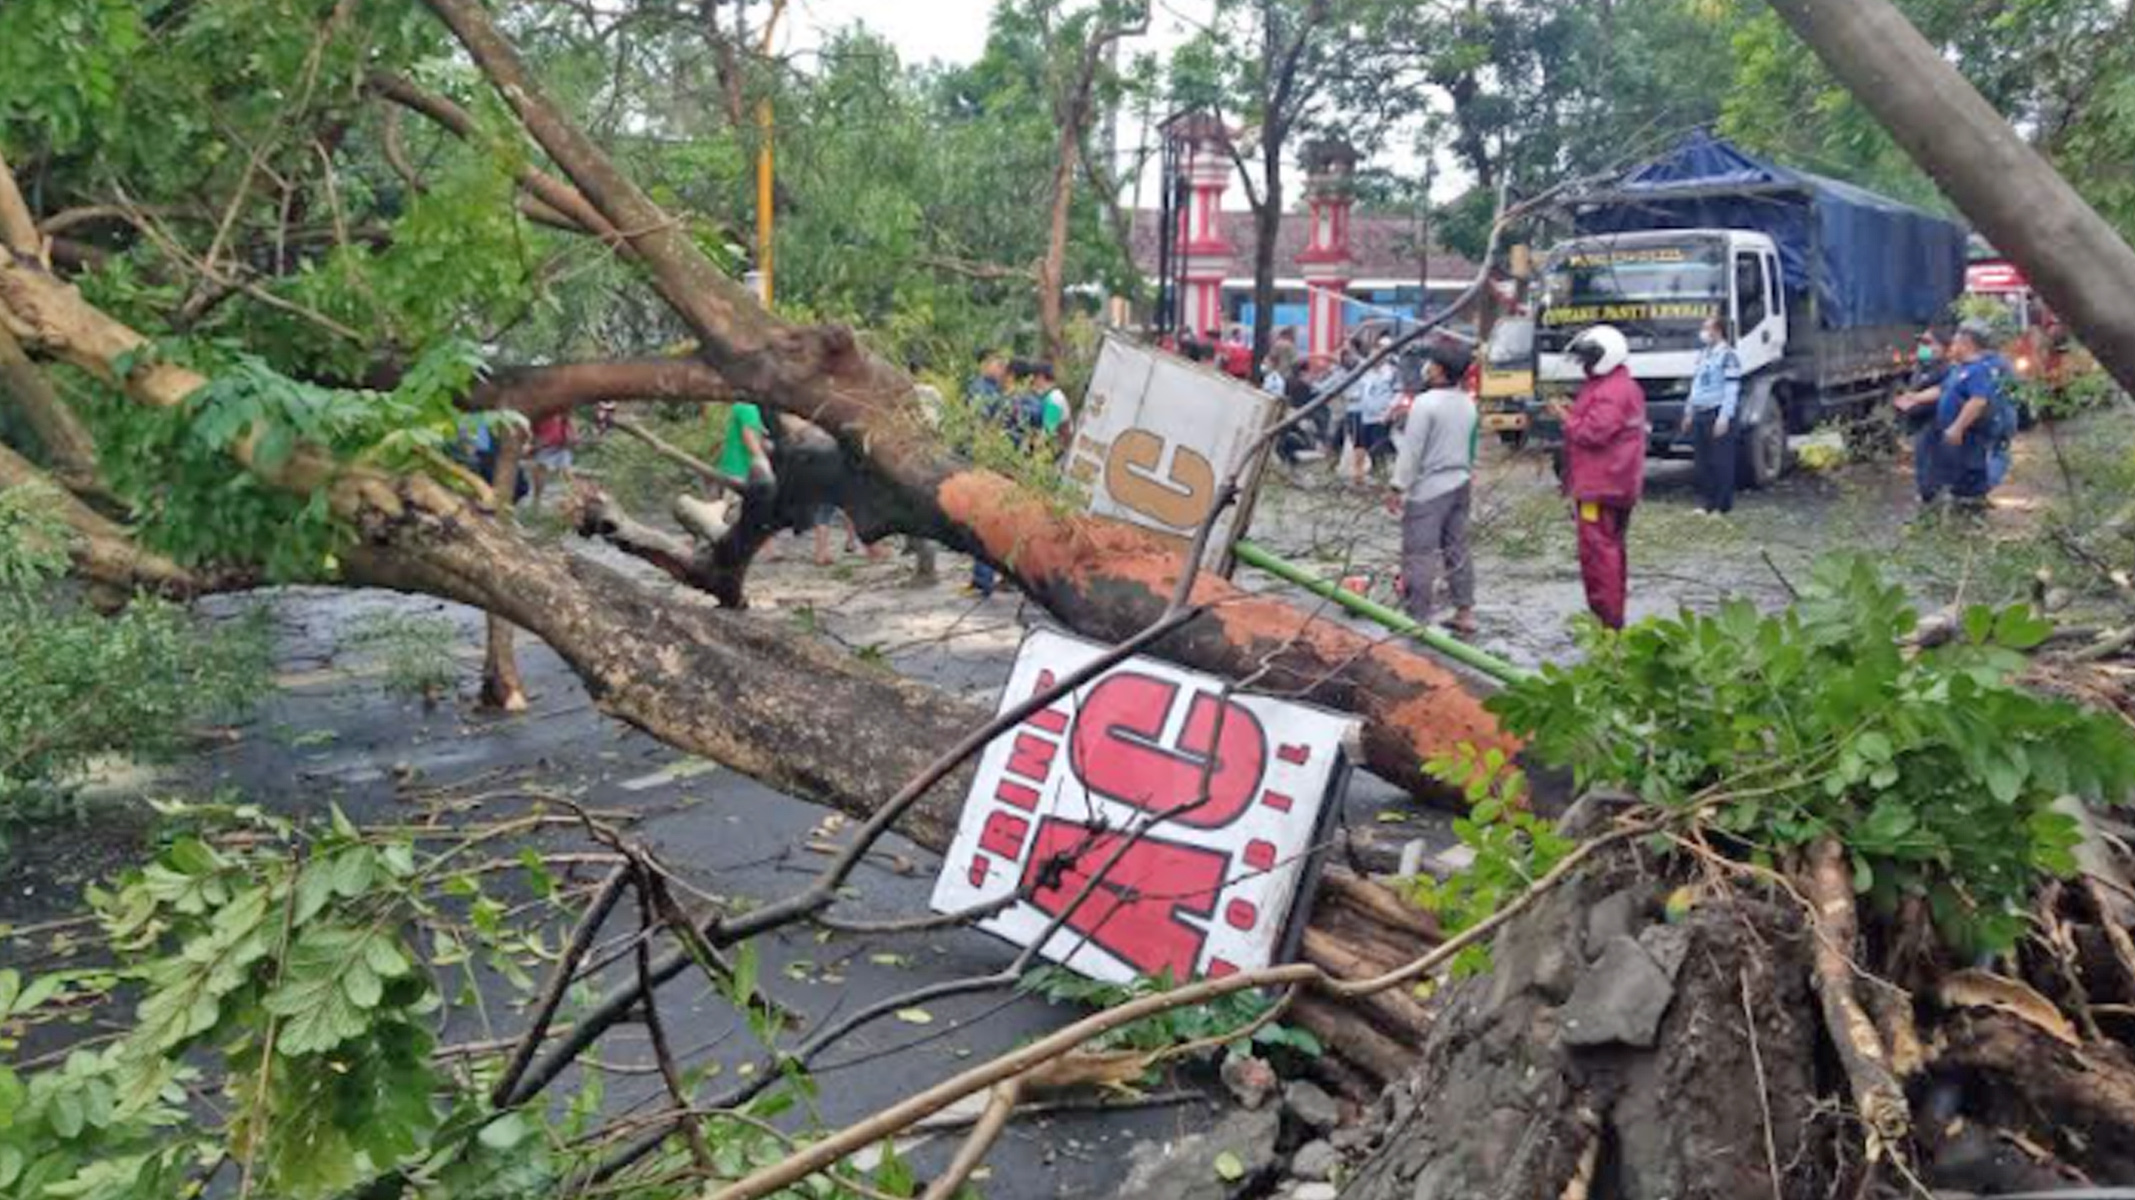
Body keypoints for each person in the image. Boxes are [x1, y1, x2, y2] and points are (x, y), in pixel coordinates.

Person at [1550, 325, 1646, 630]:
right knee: (1610, 552)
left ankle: (1608, 623)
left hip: (1601, 488)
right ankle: (1610, 620)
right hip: (1612, 485)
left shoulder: (1611, 390)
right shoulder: (1614, 385)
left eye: (1587, 359)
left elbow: (1593, 432)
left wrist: (1564, 417)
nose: (1584, 365)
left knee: (1599, 557)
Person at [1387, 348, 1479, 637]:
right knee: (1457, 549)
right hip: (1460, 483)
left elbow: (1412, 451)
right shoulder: (1467, 403)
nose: (1427, 368)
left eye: (1432, 364)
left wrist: (1397, 486)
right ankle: (1465, 612)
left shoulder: (1425, 404)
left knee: (1419, 554)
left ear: (1439, 370)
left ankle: (1417, 618)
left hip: (1429, 489)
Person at [1931, 320, 2016, 507]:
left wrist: (1957, 427)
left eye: (1955, 342)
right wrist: (1914, 397)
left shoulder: (1981, 369)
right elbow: (1943, 389)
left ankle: (1974, 505)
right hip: (1966, 435)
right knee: (1963, 472)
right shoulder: (1961, 368)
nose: (1952, 346)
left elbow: (1978, 401)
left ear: (1967, 342)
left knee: (1977, 470)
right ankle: (1967, 503)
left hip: (1977, 432)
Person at [1681, 315, 1743, 515]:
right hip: (1700, 411)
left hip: (1717, 413)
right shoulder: (1704, 355)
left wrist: (1724, 417)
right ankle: (1707, 503)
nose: (1703, 332)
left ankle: (1722, 506)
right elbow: (1696, 385)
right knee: (1703, 461)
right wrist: (1689, 412)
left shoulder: (1728, 356)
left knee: (1721, 461)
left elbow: (1731, 390)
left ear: (1718, 331)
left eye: (1707, 328)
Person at [1893, 328, 1952, 505]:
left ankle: (1933, 499)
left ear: (1943, 348)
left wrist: (1913, 399)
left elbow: (1941, 391)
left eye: (1928, 343)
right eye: (1921, 343)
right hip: (1919, 422)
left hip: (1934, 422)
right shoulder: (1923, 365)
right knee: (1922, 463)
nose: (1922, 347)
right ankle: (1928, 497)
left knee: (1931, 465)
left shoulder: (1946, 369)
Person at [1343, 338, 1398, 484]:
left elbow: (1396, 393)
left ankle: (1382, 475)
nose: (1374, 360)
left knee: (1378, 448)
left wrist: (1390, 410)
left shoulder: (1390, 372)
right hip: (1364, 415)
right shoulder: (1365, 373)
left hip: (1381, 417)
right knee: (1361, 446)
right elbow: (1360, 390)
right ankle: (1360, 476)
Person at [528, 410, 575, 508]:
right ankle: (536, 501)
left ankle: (574, 497)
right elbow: (532, 431)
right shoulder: (539, 413)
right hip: (544, 446)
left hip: (561, 445)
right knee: (541, 471)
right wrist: (533, 444)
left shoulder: (563, 411)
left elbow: (569, 427)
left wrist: (570, 437)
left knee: (566, 471)